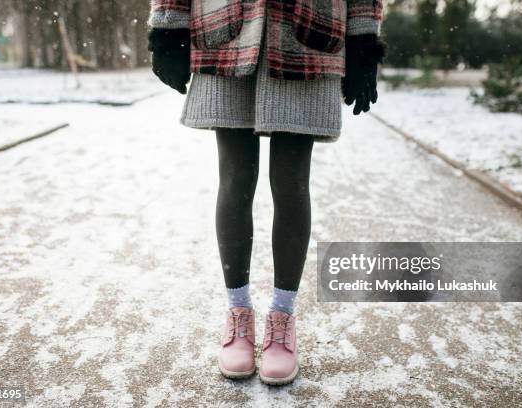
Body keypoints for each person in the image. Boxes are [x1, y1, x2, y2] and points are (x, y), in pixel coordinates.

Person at [147, 0, 385, 385]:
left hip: (310, 34)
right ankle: (239, 314)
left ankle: (282, 317)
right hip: (225, 31)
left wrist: (363, 43)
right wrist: (168, 28)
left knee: (292, 186)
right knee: (235, 181)